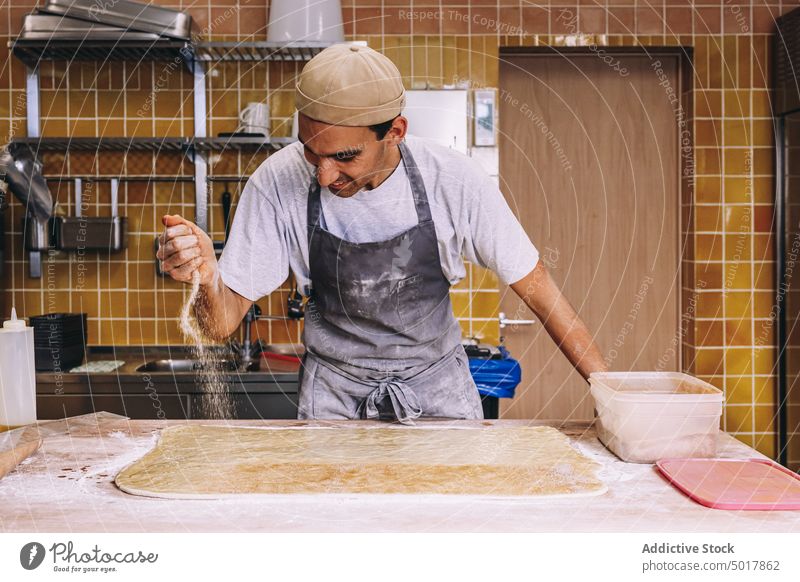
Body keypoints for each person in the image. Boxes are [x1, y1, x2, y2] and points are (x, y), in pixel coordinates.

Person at [157, 43, 607, 423]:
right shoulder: (276, 182)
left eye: (345, 157)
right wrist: (206, 277)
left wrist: (613, 402)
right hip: (333, 399)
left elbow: (541, 291)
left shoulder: (452, 180)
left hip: (438, 395)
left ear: (394, 132)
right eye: (311, 152)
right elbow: (218, 324)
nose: (323, 175)